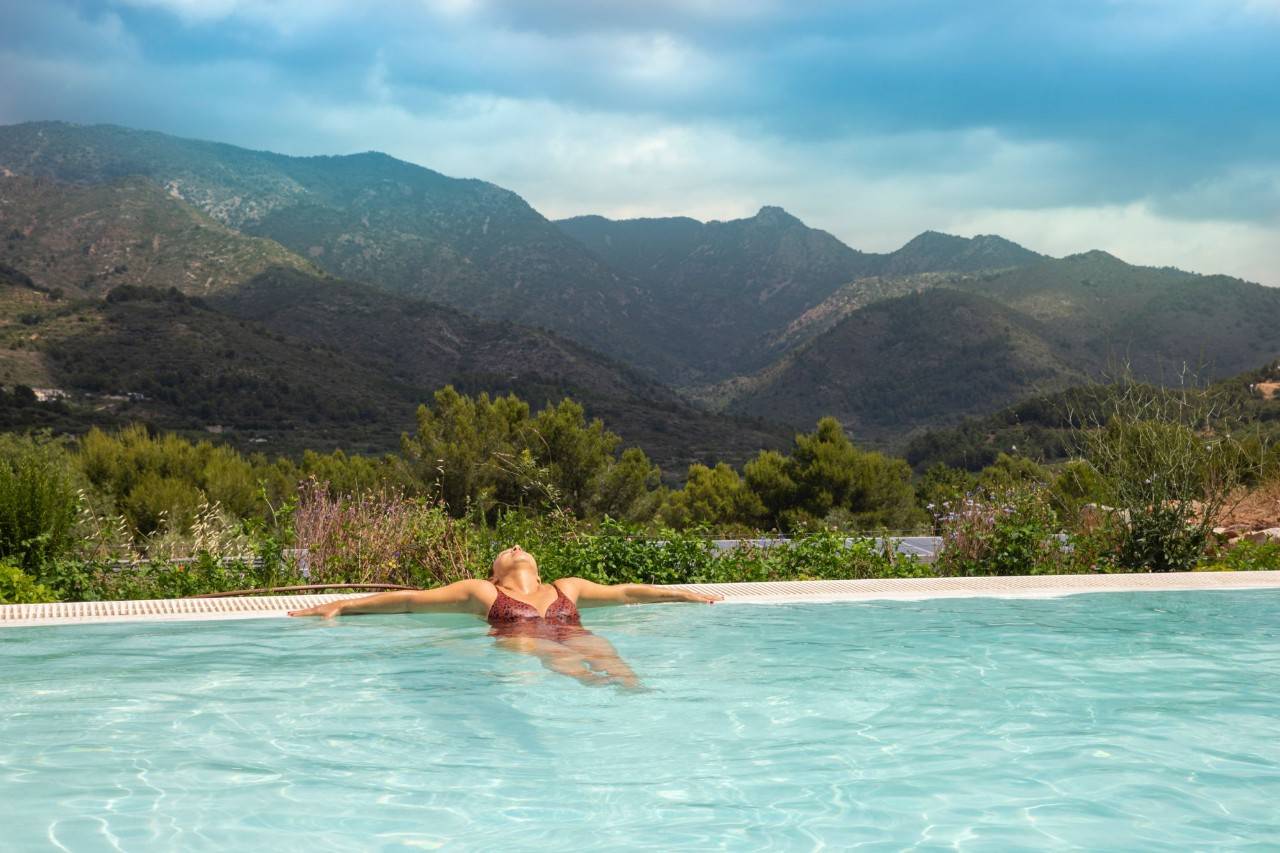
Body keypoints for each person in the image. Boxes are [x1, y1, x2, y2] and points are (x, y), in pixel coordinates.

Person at [289, 545, 722, 688]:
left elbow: (626, 593)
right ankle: (591, 685)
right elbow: (410, 601)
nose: (516, 547)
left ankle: (635, 700)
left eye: (521, 547)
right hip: (522, 640)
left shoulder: (565, 587)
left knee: (613, 662)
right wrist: (344, 605)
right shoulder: (482, 591)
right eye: (506, 550)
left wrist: (684, 595)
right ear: (494, 570)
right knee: (565, 661)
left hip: (570, 630)